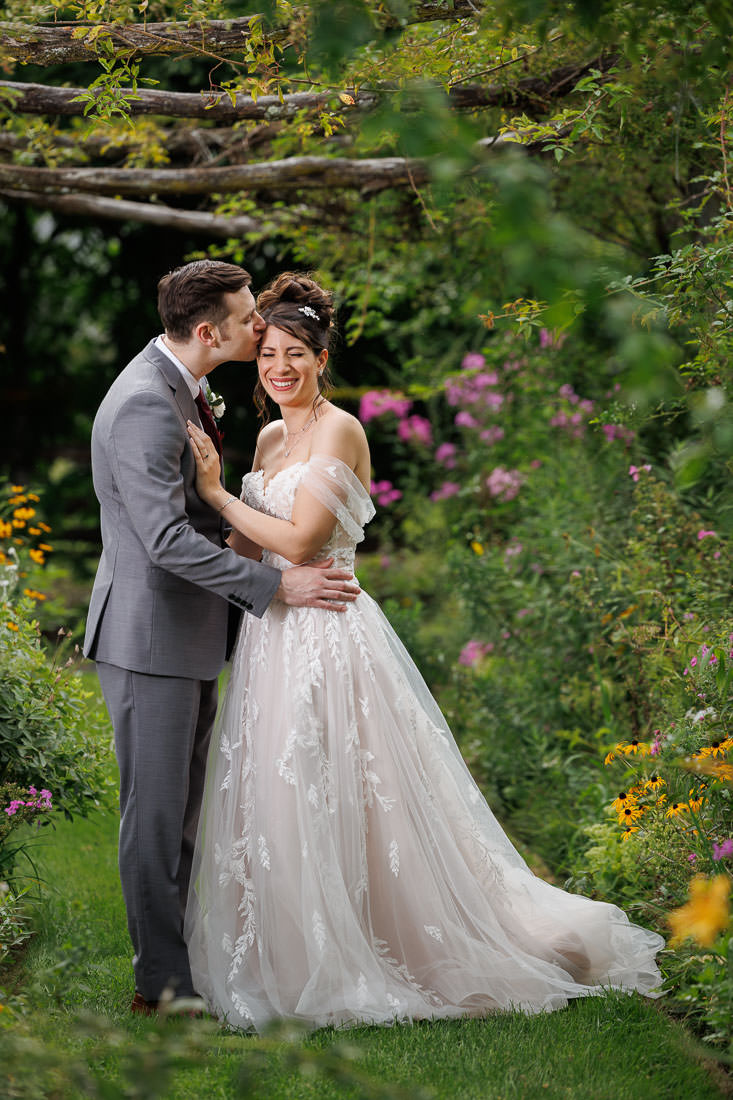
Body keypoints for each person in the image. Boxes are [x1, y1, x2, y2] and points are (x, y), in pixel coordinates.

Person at [184, 272, 664, 1031]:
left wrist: (215, 495)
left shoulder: (341, 429)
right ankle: (292, 955)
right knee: (282, 795)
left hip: (332, 637)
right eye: (268, 354)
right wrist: (211, 513)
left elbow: (305, 539)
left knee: (353, 793)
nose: (279, 368)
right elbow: (254, 540)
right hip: (273, 636)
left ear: (320, 358)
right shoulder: (272, 436)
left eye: (295, 355)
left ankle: (426, 947)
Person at [83, 260, 359, 1016]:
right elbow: (167, 540)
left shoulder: (182, 385)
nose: (260, 331)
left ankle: (183, 969)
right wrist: (276, 585)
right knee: (155, 814)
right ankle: (163, 987)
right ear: (210, 332)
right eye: (248, 324)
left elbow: (203, 518)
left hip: (186, 634)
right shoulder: (147, 401)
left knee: (180, 815)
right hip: (150, 640)